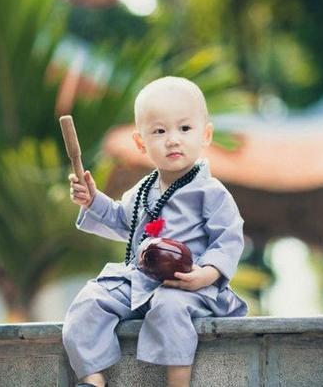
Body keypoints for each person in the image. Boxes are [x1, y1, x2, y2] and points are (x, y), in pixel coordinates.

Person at [62, 76, 248, 387]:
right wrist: (93, 200)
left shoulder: (211, 192)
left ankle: (177, 383)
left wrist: (208, 274)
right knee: (89, 301)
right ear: (141, 143)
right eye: (159, 131)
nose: (172, 139)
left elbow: (228, 238)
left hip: (187, 284)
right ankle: (92, 380)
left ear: (206, 134)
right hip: (139, 279)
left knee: (170, 307)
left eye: (185, 129)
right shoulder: (143, 190)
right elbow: (123, 220)